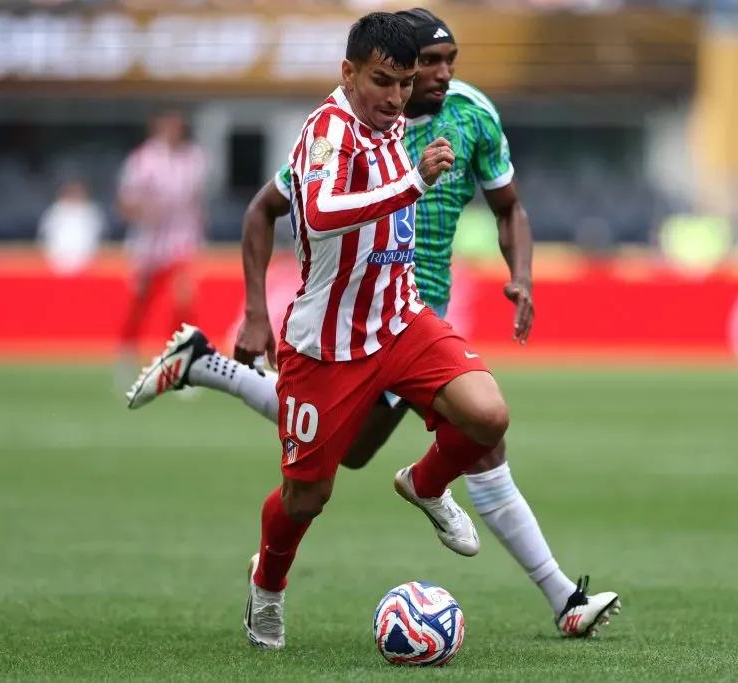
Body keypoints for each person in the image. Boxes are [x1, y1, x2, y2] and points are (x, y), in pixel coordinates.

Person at [126, 9, 620, 641]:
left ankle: (435, 490)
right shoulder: (328, 130)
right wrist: (415, 181)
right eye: (387, 81)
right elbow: (324, 212)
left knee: (488, 417)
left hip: (403, 320)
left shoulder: (424, 117)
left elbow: (505, 203)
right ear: (349, 74)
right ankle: (267, 585)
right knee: (310, 494)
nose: (399, 95)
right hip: (328, 343)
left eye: (407, 81)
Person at [115, 110, 207, 389]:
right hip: (148, 246)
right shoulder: (143, 160)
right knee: (139, 305)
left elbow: (196, 203)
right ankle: (126, 358)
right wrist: (145, 210)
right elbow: (126, 203)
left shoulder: (194, 159)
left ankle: (182, 366)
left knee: (183, 303)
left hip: (181, 243)